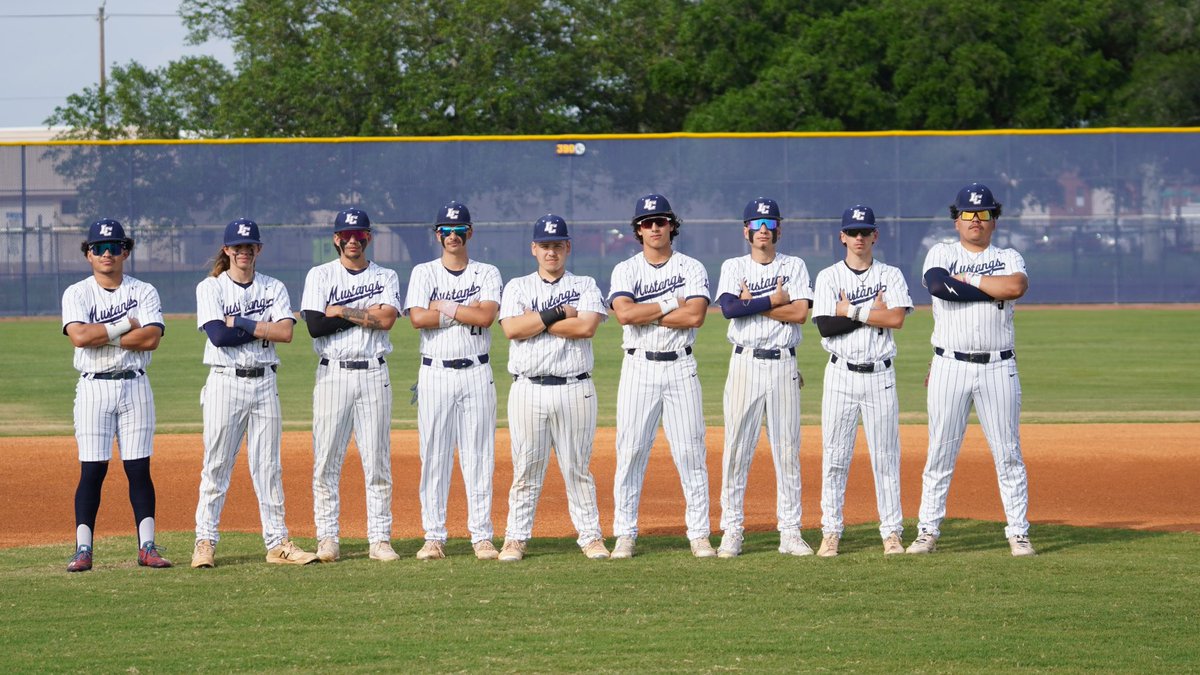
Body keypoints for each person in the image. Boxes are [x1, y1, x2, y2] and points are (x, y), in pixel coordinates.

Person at [909, 183, 1035, 557]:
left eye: (983, 214)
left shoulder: (1008, 255)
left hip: (999, 365)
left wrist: (972, 281)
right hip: (950, 364)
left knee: (1008, 452)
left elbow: (1016, 286)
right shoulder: (941, 251)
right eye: (968, 214)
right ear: (956, 220)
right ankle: (927, 530)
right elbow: (937, 286)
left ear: (994, 219)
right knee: (940, 453)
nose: (975, 220)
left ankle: (1018, 531)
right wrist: (991, 290)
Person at [193, 218, 318, 567]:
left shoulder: (273, 287)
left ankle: (278, 542)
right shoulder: (211, 288)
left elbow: (287, 334)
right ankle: (205, 541)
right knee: (216, 464)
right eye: (238, 246)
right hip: (224, 380)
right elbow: (218, 336)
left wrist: (243, 324)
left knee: (268, 466)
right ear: (227, 250)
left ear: (258, 249)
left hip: (264, 381)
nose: (244, 252)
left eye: (250, 246)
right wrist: (264, 329)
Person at [496, 214, 610, 562]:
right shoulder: (517, 286)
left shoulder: (586, 284)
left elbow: (587, 327)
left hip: (575, 386)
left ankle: (590, 537)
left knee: (577, 467)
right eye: (545, 246)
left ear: (567, 248)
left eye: (557, 245)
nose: (551, 252)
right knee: (527, 467)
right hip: (528, 388)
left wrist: (539, 320)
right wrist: (561, 313)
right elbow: (512, 330)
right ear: (534, 248)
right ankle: (515, 539)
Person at [61, 218, 171, 572]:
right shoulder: (77, 293)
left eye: (114, 247)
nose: (107, 253)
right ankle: (83, 549)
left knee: (139, 469)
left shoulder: (144, 290)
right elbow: (78, 338)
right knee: (92, 470)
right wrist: (128, 324)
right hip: (93, 386)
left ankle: (148, 546)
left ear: (125, 251)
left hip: (135, 383)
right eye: (99, 248)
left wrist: (100, 334)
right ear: (88, 254)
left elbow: (152, 338)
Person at [608, 193, 714, 559]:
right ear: (638, 229)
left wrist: (645, 311)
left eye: (661, 221)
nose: (654, 227)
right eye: (647, 222)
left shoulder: (691, 267)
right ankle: (625, 533)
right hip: (638, 366)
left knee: (690, 452)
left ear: (672, 225)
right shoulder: (626, 269)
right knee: (632, 451)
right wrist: (671, 303)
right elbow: (624, 315)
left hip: (681, 365)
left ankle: (699, 534)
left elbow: (696, 316)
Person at [713, 198, 814, 559]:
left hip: (784, 365)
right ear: (746, 231)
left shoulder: (795, 265)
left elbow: (800, 313)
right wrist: (774, 299)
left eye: (768, 223)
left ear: (778, 230)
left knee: (787, 450)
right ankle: (732, 531)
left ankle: (790, 532)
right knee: (737, 450)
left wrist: (751, 303)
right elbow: (728, 309)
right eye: (756, 224)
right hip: (745, 365)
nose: (762, 230)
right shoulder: (733, 265)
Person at [301, 208, 402, 563]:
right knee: (326, 460)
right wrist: (364, 315)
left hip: (374, 372)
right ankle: (327, 538)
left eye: (360, 235)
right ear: (336, 239)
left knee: (377, 461)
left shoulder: (386, 275)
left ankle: (380, 538)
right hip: (333, 374)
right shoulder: (320, 274)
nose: (353, 241)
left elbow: (386, 320)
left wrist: (341, 311)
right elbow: (314, 325)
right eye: (347, 235)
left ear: (368, 239)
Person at [811, 205, 913, 557]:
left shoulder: (892, 274)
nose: (858, 237)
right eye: (852, 232)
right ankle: (831, 531)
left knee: (885, 457)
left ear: (875, 236)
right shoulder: (827, 276)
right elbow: (826, 325)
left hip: (880, 374)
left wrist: (851, 311)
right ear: (842, 237)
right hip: (840, 373)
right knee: (835, 457)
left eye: (864, 231)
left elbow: (896, 318)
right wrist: (873, 313)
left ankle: (891, 533)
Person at [403, 201, 501, 561]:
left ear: (469, 233)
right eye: (446, 230)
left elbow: (487, 316)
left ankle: (482, 536)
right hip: (435, 371)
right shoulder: (423, 272)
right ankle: (433, 536)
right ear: (438, 235)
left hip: (477, 370)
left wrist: (443, 307)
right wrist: (464, 311)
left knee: (479, 456)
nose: (453, 236)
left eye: (459, 230)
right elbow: (416, 318)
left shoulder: (487, 271)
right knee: (434, 456)